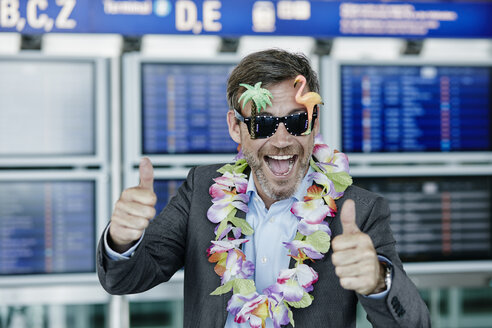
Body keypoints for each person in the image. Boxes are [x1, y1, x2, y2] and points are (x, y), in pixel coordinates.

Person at [97, 49, 431, 327]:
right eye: (263, 124)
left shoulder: (358, 211)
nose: (282, 140)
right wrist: (122, 240)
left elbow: (415, 323)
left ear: (314, 124)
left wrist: (378, 280)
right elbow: (124, 280)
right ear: (235, 128)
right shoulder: (201, 190)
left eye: (297, 121)